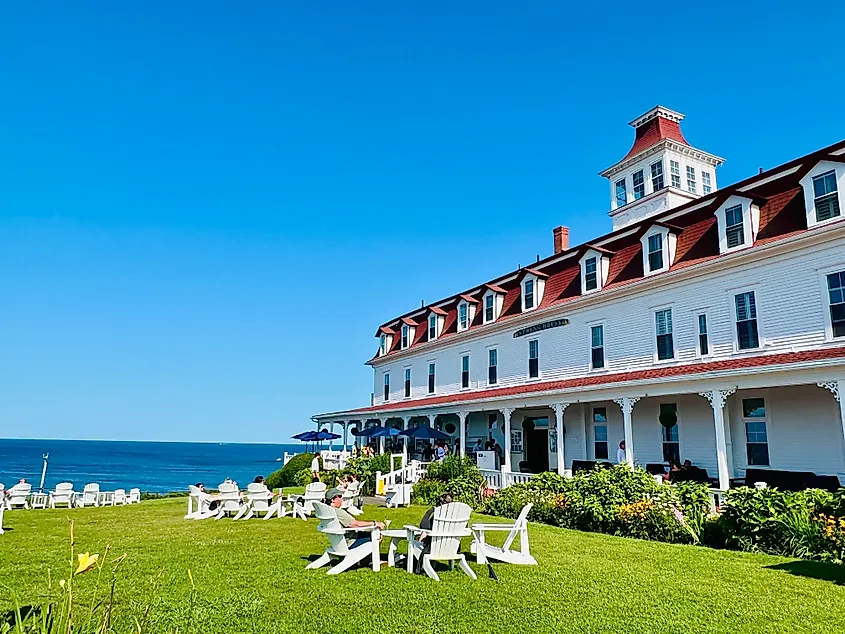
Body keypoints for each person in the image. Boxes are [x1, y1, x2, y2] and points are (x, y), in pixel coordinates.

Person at [414, 492, 454, 573]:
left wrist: (430, 511)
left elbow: (423, 526)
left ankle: (416, 564)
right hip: (453, 547)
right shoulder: (457, 515)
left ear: (440, 503)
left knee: (416, 541)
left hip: (435, 547)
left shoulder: (437, 516)